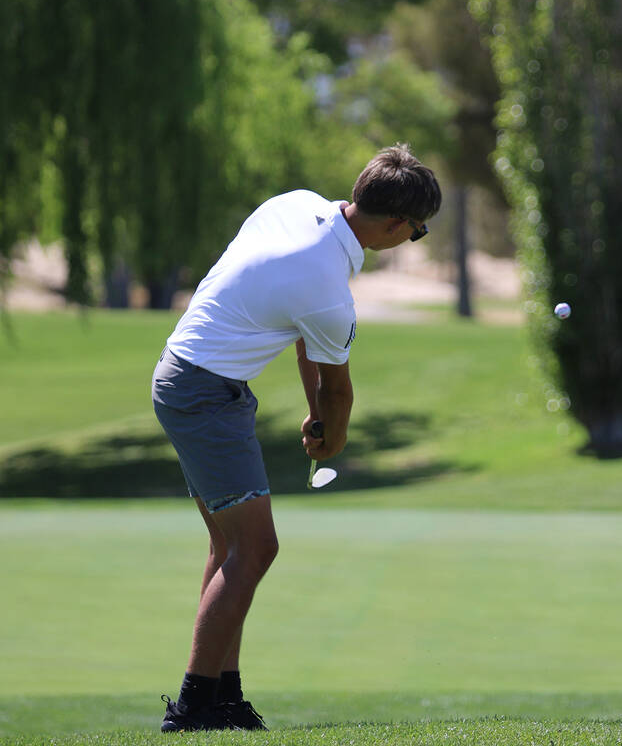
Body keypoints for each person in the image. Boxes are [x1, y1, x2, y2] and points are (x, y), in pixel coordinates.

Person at [150, 145, 441, 732]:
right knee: (257, 549)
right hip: (205, 394)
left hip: (186, 375)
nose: (411, 239)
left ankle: (224, 698)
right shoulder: (329, 289)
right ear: (392, 224)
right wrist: (331, 439)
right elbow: (340, 390)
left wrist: (314, 413)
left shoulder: (297, 206)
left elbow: (305, 338)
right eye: (417, 232)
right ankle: (191, 708)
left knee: (230, 547)